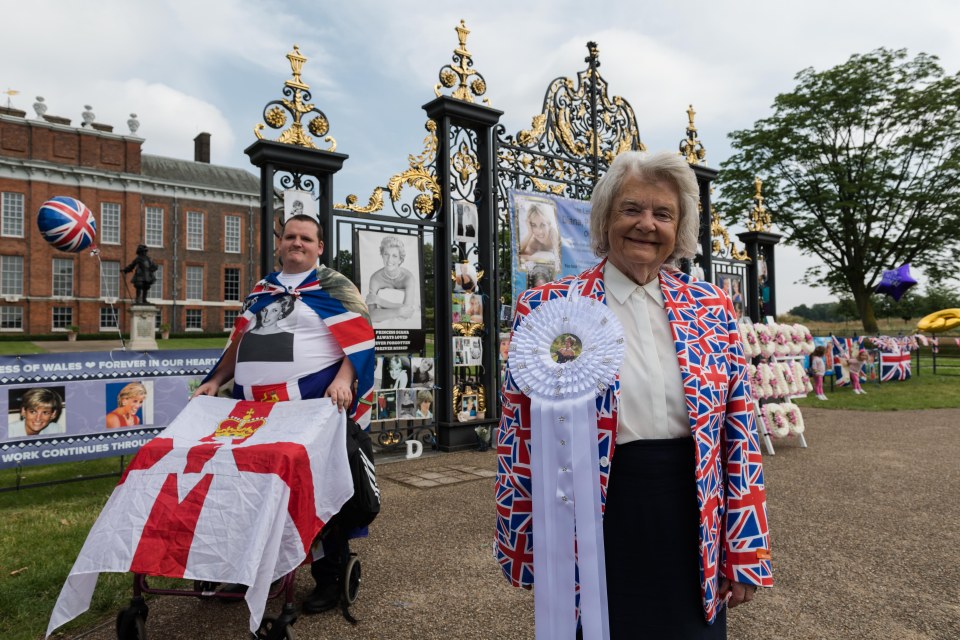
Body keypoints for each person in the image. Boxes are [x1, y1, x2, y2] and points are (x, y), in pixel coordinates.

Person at [496, 151, 772, 638]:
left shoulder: (712, 307)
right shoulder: (548, 305)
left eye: (663, 213)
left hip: (695, 516)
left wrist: (746, 549)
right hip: (593, 516)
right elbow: (518, 433)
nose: (647, 224)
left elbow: (741, 433)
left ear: (679, 228)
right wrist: (521, 541)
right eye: (631, 210)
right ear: (604, 218)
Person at [192, 213, 376, 615]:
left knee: (315, 488)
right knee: (253, 487)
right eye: (290, 236)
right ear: (278, 244)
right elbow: (239, 345)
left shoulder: (336, 288)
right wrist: (216, 380)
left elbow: (361, 342)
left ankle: (330, 574)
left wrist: (344, 380)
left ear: (319, 247)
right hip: (254, 411)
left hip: (311, 406)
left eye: (306, 238)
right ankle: (261, 569)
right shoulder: (261, 291)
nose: (297, 243)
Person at [366, 236, 417, 327]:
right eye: (386, 254)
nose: (389, 260)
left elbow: (409, 312)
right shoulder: (375, 278)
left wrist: (379, 301)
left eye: (394, 256)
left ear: (400, 259)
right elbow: (372, 316)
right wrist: (399, 311)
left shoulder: (408, 278)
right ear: (382, 255)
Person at [519, 203, 560, 268]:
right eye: (534, 225)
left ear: (549, 224)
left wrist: (529, 258)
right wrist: (529, 233)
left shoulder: (553, 234)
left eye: (543, 225)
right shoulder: (534, 241)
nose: (539, 231)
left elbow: (559, 260)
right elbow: (518, 254)